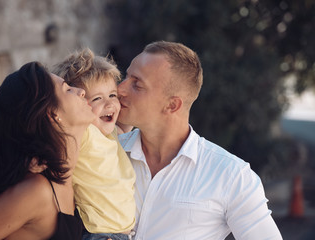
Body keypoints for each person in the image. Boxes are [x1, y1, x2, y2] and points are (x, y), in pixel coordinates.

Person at [117, 41, 283, 240]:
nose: (120, 89)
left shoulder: (231, 176)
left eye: (137, 84)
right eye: (126, 77)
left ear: (172, 105)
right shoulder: (105, 153)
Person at [0, 62, 96, 240]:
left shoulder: (74, 179)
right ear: (52, 114)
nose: (81, 91)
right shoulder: (37, 191)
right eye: (67, 89)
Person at [52, 48, 136, 240]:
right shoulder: (84, 132)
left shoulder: (112, 132)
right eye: (97, 98)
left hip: (123, 235)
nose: (109, 104)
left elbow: (129, 116)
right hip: (99, 234)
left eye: (112, 95)